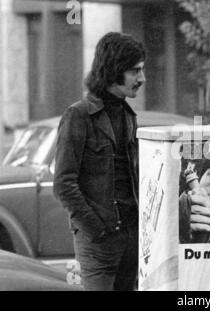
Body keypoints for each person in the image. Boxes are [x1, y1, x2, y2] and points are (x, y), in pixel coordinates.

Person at [53, 32, 146, 291]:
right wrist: (97, 230)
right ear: (115, 69)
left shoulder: (128, 114)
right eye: (135, 71)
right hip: (99, 243)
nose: (142, 79)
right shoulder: (79, 116)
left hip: (131, 238)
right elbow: (63, 184)